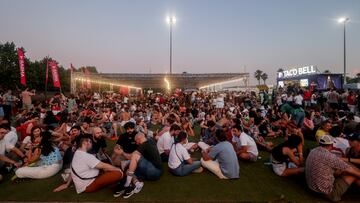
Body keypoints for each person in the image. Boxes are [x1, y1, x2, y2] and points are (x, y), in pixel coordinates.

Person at [306, 135, 360, 202]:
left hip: (312, 187)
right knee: (353, 173)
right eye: (350, 140)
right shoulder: (331, 156)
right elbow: (351, 170)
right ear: (331, 145)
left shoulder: (313, 150)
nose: (350, 142)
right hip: (327, 193)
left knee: (349, 170)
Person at [114, 132, 162, 198]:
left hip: (155, 171)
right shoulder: (150, 140)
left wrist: (122, 153)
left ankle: (127, 185)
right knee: (129, 169)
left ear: (139, 139)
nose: (136, 143)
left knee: (135, 156)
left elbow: (131, 156)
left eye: (136, 141)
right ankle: (137, 183)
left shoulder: (144, 145)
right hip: (151, 169)